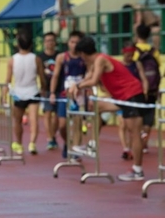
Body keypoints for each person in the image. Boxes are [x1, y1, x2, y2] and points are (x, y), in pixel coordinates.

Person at [68, 36, 147, 181]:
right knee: (96, 107)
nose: (81, 59)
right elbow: (89, 77)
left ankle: (138, 170)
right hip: (121, 97)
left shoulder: (100, 60)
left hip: (132, 95)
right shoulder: (95, 62)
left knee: (133, 133)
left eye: (80, 55)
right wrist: (76, 86)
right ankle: (92, 144)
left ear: (83, 54)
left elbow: (93, 80)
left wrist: (77, 86)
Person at [2, 32, 46, 155]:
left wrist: (4, 95)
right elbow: (41, 76)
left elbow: (8, 80)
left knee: (17, 120)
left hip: (19, 92)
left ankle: (19, 143)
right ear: (31, 44)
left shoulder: (12, 60)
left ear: (18, 44)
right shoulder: (36, 59)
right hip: (33, 91)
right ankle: (32, 143)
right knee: (34, 120)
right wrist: (43, 88)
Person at [49, 30, 86, 158]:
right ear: (68, 43)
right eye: (72, 42)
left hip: (79, 95)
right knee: (62, 125)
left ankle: (76, 149)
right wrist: (52, 93)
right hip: (64, 95)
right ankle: (67, 142)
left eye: (77, 42)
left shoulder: (84, 57)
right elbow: (55, 76)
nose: (74, 45)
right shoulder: (61, 57)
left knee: (77, 124)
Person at [133, 23, 161, 153]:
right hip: (152, 89)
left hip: (137, 89)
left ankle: (138, 142)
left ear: (137, 34)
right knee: (149, 117)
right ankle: (144, 143)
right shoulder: (154, 51)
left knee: (137, 116)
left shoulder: (134, 51)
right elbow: (159, 69)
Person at [120, 43, 149, 160]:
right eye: (128, 55)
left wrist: (145, 91)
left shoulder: (137, 64)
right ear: (123, 53)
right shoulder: (119, 66)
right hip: (122, 98)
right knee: (123, 125)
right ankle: (125, 148)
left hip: (134, 98)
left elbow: (143, 79)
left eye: (132, 55)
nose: (130, 57)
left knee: (132, 126)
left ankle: (130, 148)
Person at [38, 32, 59, 150]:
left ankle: (53, 134)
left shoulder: (59, 55)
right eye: (47, 40)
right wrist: (41, 87)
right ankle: (50, 138)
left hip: (58, 88)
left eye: (52, 40)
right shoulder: (40, 57)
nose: (49, 43)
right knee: (47, 112)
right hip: (46, 88)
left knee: (57, 115)